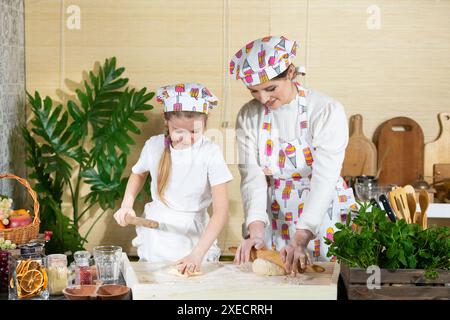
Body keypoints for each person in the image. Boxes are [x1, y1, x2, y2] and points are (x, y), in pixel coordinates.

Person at [230, 36, 356, 273]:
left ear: (290, 72)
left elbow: (324, 178)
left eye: (270, 89)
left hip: (322, 211)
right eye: (254, 92)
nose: (264, 99)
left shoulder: (325, 110)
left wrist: (301, 238)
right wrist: (256, 231)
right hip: (275, 212)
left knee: (323, 281)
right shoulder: (248, 115)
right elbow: (252, 177)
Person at [113, 83, 233, 275]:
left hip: (196, 239)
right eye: (178, 131)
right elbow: (139, 173)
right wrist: (127, 204)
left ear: (206, 121)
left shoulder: (211, 153)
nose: (186, 138)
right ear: (166, 121)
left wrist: (197, 254)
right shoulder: (154, 146)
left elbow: (221, 211)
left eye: (194, 132)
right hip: (157, 238)